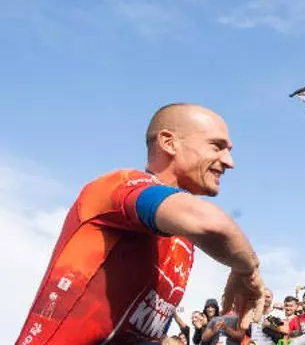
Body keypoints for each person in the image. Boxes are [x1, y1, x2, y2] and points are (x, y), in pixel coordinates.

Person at [16, 103, 264, 344]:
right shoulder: (118, 185)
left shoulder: (183, 241)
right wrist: (248, 271)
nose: (229, 161)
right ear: (169, 142)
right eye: (217, 147)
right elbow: (213, 224)